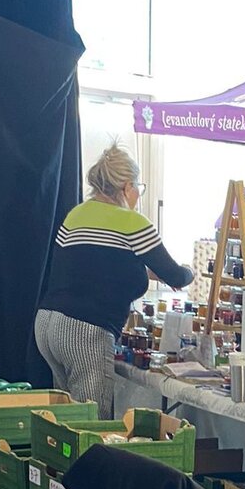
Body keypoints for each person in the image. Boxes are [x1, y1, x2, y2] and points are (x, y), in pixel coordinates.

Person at [35, 146, 192, 417]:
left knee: (65, 420)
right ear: (127, 186)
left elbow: (92, 268)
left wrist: (146, 273)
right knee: (92, 421)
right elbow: (176, 276)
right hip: (84, 330)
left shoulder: (76, 214)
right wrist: (191, 270)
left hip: (48, 324)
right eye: (138, 187)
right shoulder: (132, 222)